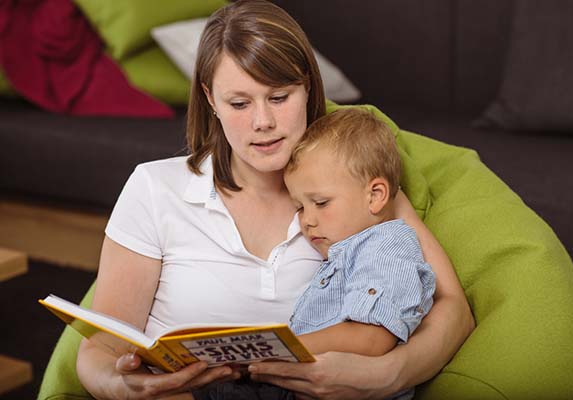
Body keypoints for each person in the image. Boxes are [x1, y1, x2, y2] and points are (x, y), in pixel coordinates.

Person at [75, 1, 474, 399]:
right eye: (239, 103)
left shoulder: (349, 189)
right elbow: (102, 346)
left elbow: (453, 309)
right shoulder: (155, 187)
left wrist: (388, 374)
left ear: (308, 90)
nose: (262, 122)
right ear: (210, 99)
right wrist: (122, 387)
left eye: (279, 97)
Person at [192, 107, 436, 400]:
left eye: (320, 203)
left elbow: (371, 338)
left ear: (376, 196)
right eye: (300, 207)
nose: (306, 220)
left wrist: (277, 349)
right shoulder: (349, 248)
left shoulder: (386, 249)